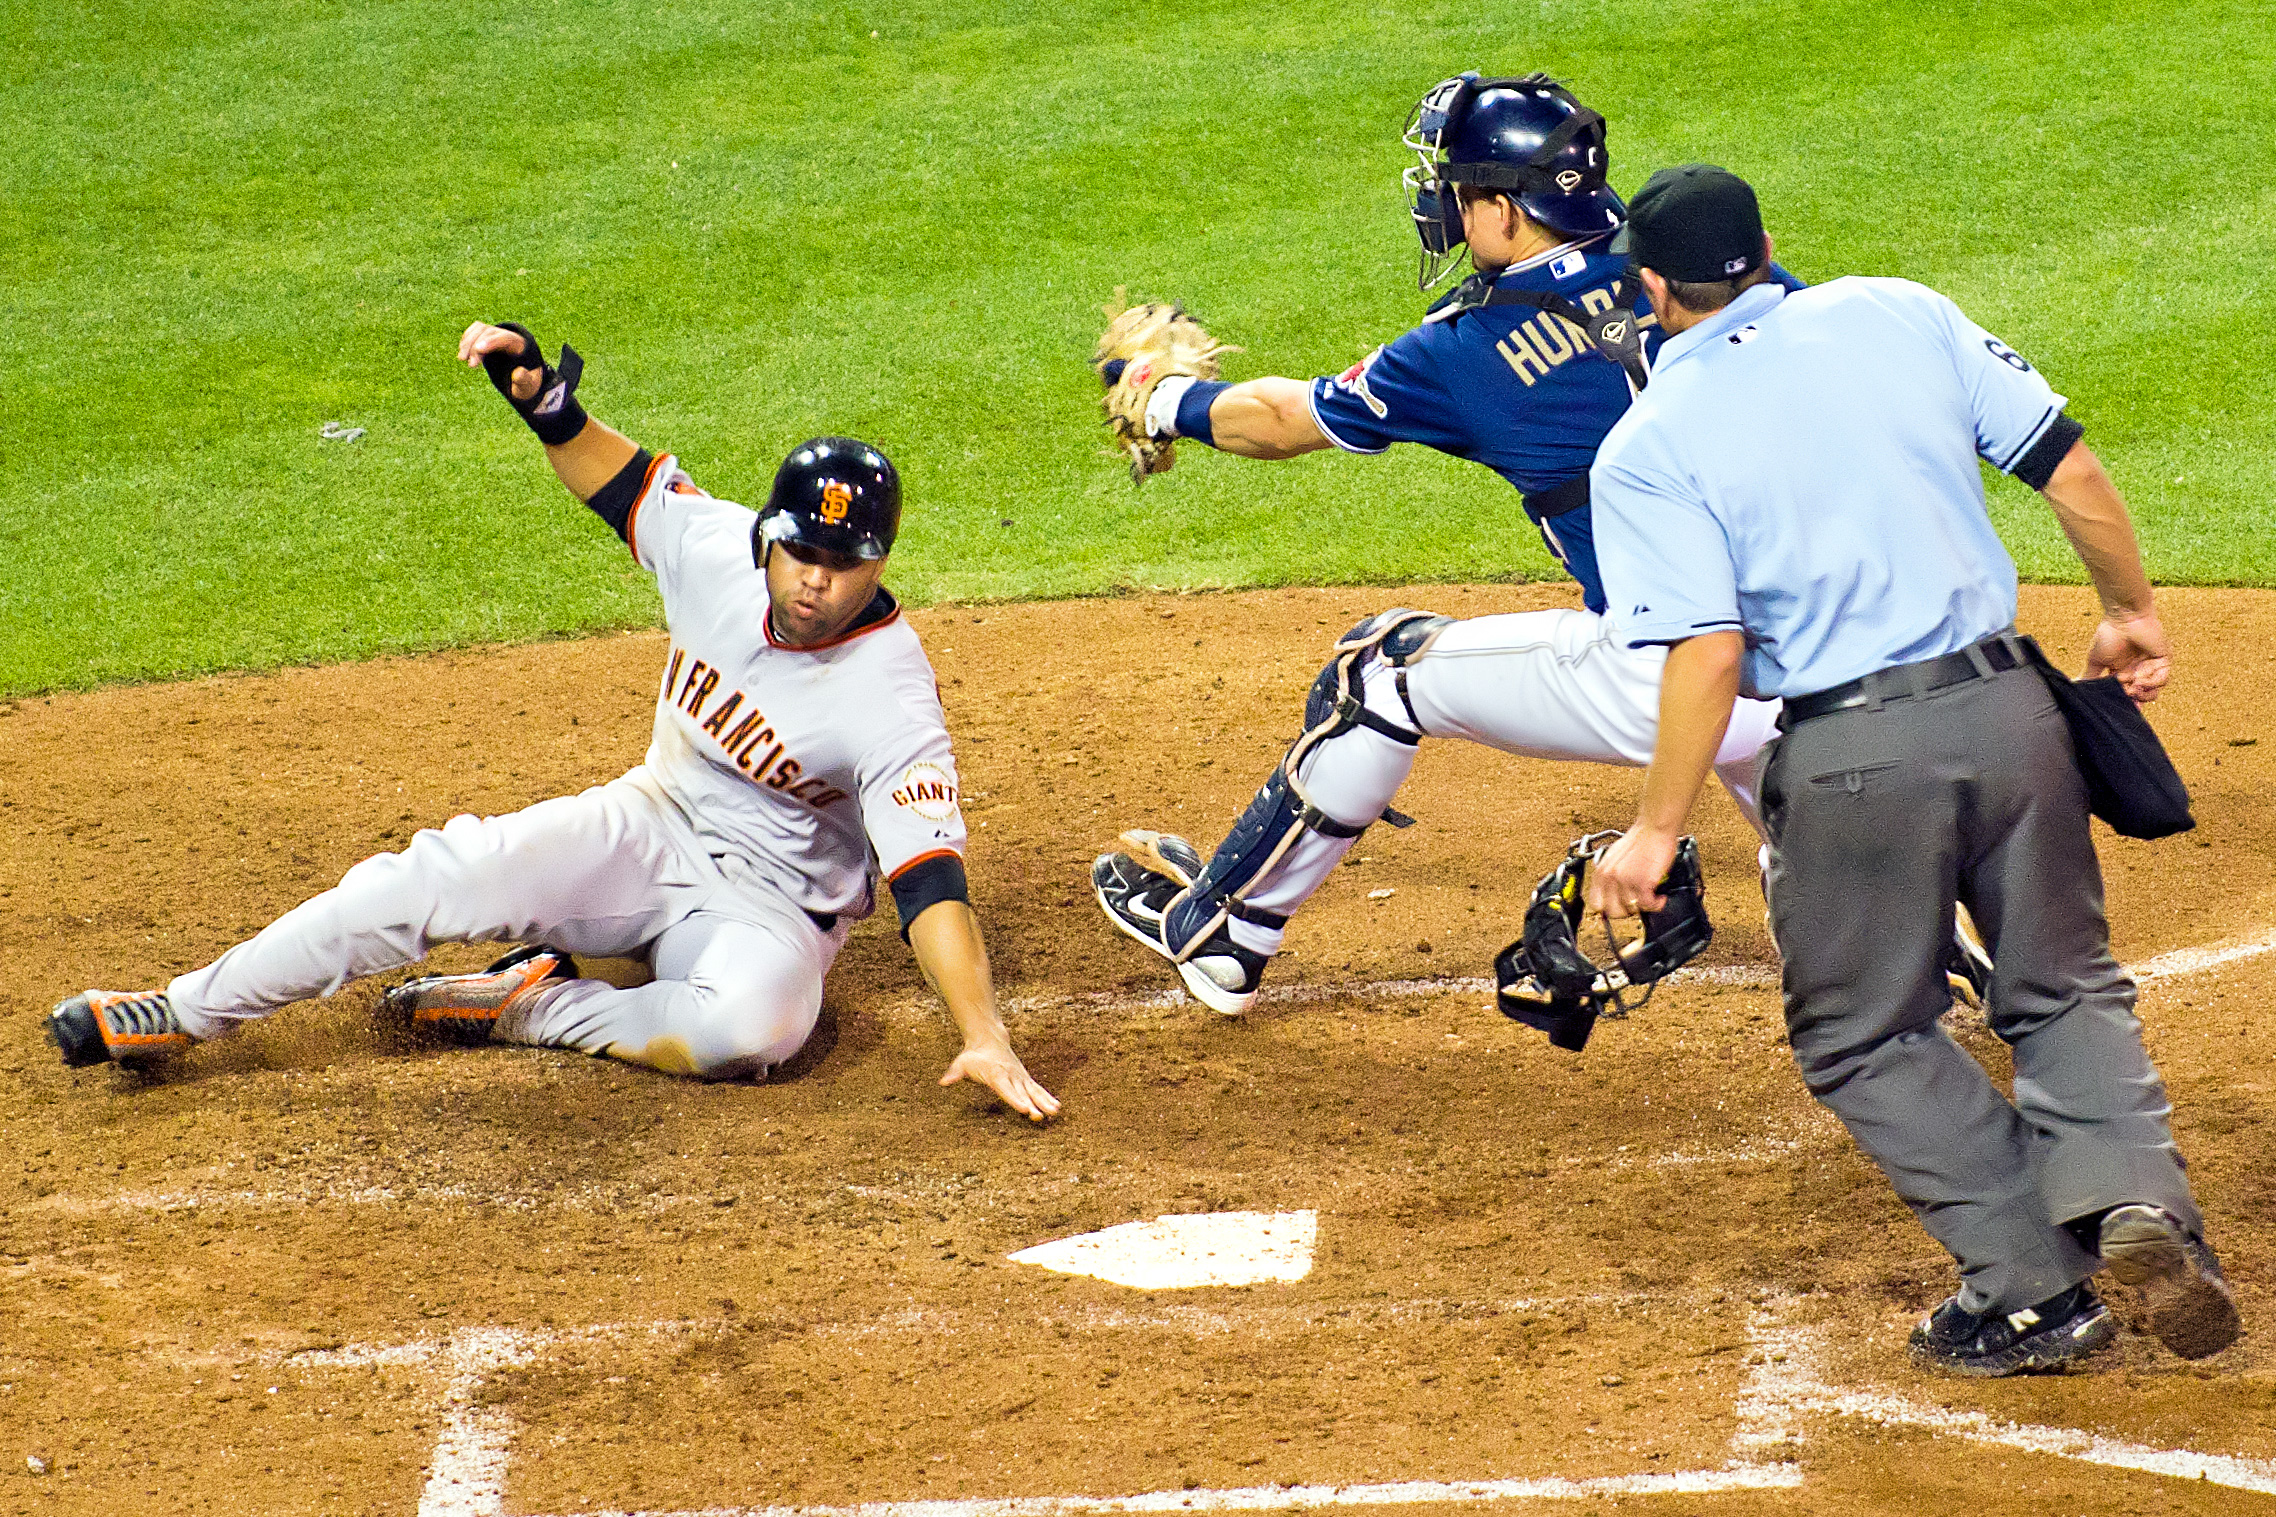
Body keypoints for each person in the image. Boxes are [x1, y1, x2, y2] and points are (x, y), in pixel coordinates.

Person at [1088, 72, 1985, 1018]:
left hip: (1676, 672)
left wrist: (1159, 397)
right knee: (1767, 736)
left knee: (1378, 672)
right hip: (1840, 646)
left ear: (1507, 214)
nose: (1445, 205)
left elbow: (1276, 420)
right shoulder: (1705, 272)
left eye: (1461, 191)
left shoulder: (1460, 350)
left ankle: (1223, 934)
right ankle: (1942, 940)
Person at [44, 320, 1060, 1122]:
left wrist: (984, 1030)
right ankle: (180, 1010)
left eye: (841, 565)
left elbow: (929, 881)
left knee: (752, 1033)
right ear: (769, 536)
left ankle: (529, 1005)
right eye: (800, 554)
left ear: (878, 563)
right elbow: (619, 482)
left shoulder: (888, 692)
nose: (813, 582)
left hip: (769, 914)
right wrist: (545, 403)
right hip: (646, 827)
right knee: (436, 874)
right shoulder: (717, 550)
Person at [1583, 164, 2235, 1374]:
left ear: (1648, 288)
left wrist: (1654, 829)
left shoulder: (1642, 443)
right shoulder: (1896, 309)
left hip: (1851, 756)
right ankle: (2135, 1200)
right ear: (1766, 247)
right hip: (2014, 710)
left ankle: (2033, 1284)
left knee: (1862, 1031)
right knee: (2062, 984)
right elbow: (2070, 470)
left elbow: (1709, 652)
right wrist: (2128, 611)